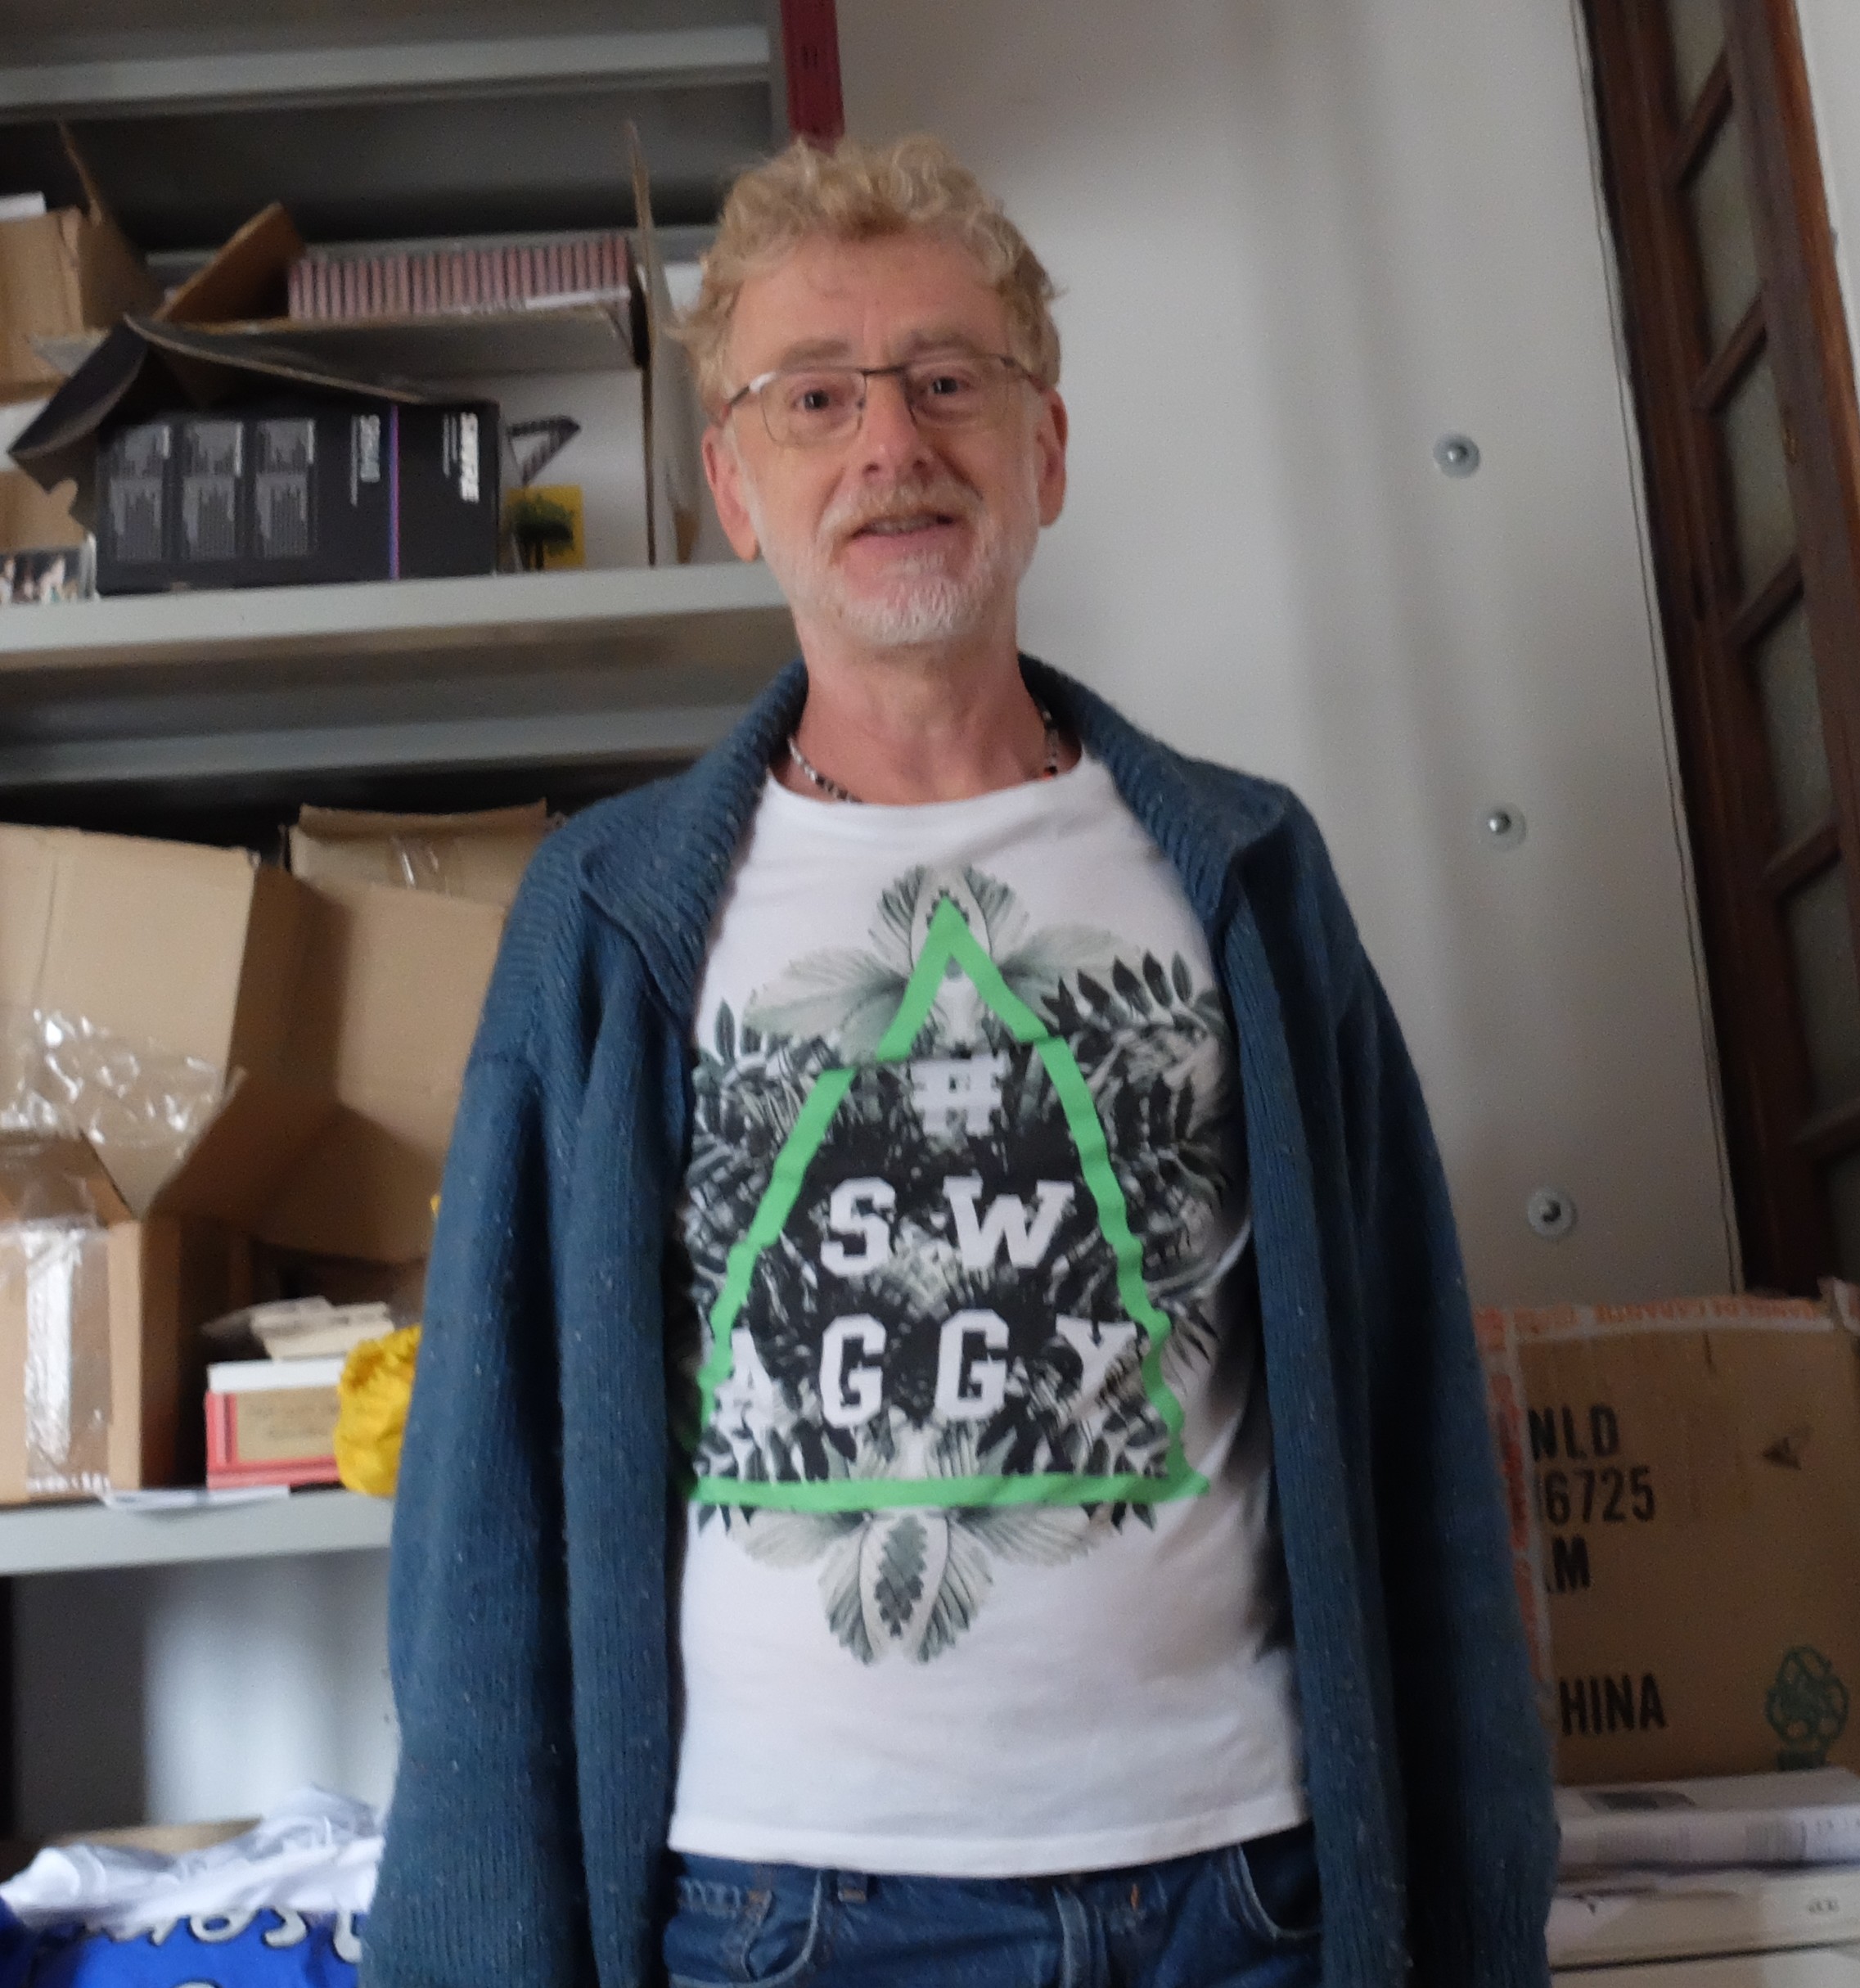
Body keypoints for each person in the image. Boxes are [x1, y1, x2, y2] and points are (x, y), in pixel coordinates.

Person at [365, 135, 1556, 1988]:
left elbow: (1413, 1432)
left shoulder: (1250, 872)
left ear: (1044, 450)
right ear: (734, 487)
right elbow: (485, 1515)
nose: (889, 445)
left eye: (946, 381)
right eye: (813, 397)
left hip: (1247, 1899)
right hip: (789, 1920)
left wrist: (1481, 1917)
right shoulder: (603, 920)